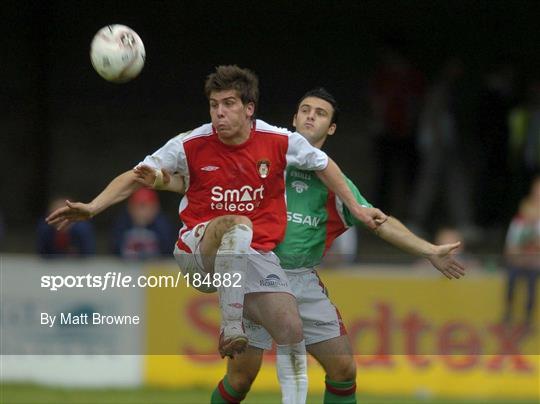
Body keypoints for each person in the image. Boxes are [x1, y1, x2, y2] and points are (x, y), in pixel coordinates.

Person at [46, 66, 386, 403]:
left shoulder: (279, 141)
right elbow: (138, 175)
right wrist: (92, 207)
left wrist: (355, 207)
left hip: (251, 256)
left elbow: (323, 164)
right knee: (235, 223)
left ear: (249, 108)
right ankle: (230, 325)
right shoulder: (191, 143)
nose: (219, 113)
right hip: (198, 249)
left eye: (228, 104)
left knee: (291, 330)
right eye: (213, 105)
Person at [142, 87, 465, 404]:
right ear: (294, 119)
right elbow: (201, 184)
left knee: (343, 368)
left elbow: (377, 221)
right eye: (306, 111)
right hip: (255, 272)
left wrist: (428, 250)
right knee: (241, 378)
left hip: (301, 278)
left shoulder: (335, 183)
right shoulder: (264, 155)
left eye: (321, 114)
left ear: (332, 128)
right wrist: (163, 178)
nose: (311, 117)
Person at [503, 175, 540, 328]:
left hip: (535, 264)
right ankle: (509, 311)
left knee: (532, 281)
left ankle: (528, 316)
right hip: (519, 262)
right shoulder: (518, 223)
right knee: (511, 278)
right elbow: (509, 248)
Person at [111, 188, 175, 260]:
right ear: (130, 207)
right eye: (141, 206)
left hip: (155, 269)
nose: (145, 212)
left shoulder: (163, 226)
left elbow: (168, 253)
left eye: (151, 207)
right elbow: (114, 250)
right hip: (126, 268)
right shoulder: (121, 224)